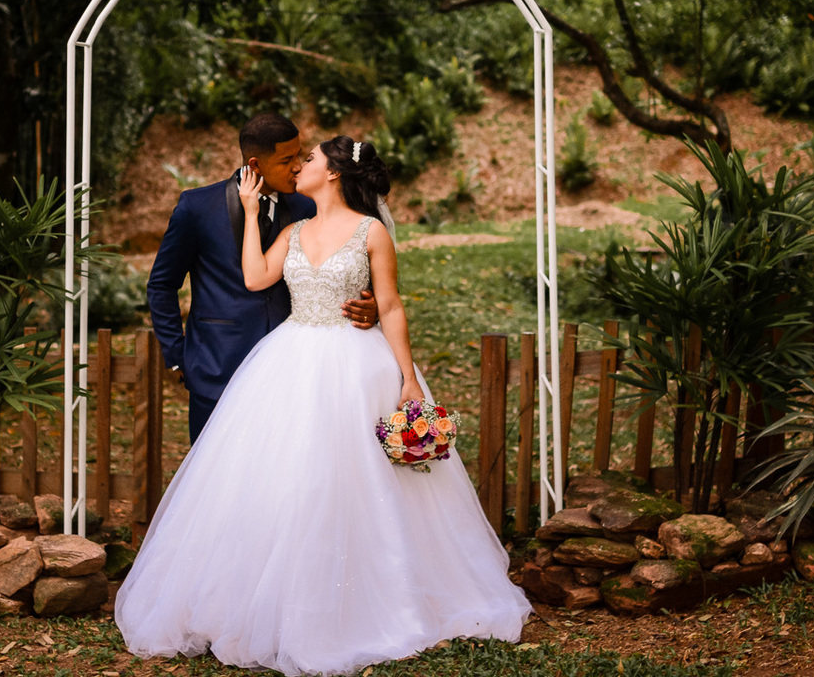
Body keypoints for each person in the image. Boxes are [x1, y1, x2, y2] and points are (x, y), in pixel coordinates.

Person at [116, 135, 531, 676]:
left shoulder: (371, 231)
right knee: (288, 478)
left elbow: (390, 305)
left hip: (355, 363)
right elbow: (255, 278)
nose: (301, 164)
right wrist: (245, 211)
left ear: (333, 173)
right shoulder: (292, 228)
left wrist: (407, 378)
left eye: (309, 158)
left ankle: (375, 595)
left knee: (355, 479)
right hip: (288, 360)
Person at [146, 113, 379, 443]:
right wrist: (177, 356)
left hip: (292, 375)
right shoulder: (197, 207)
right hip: (217, 369)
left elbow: (347, 265)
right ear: (255, 164)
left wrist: (371, 307)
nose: (297, 167)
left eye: (300, 155)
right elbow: (161, 284)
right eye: (287, 160)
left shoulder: (307, 206)